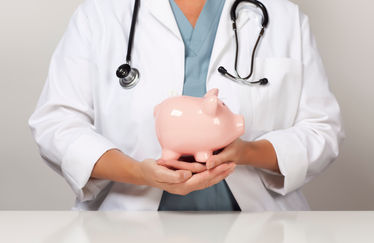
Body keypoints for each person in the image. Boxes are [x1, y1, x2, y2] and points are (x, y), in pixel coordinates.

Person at [28, 0, 344, 211]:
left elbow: (322, 130)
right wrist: (137, 172)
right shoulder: (100, 15)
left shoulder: (281, 16)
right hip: (126, 228)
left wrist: (247, 152)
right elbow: (56, 124)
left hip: (260, 229)